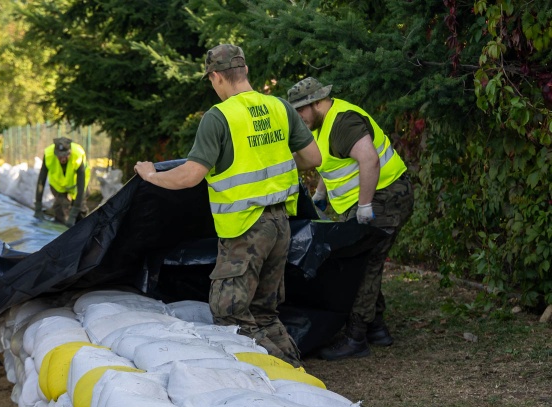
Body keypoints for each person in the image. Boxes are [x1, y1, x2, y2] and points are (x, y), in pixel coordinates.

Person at [133, 44, 321, 367]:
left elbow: (191, 175)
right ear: (245, 71)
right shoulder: (279, 108)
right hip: (280, 225)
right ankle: (295, 373)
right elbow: (312, 158)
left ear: (217, 77)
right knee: (264, 310)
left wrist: (151, 175)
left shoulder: (219, 118)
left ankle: (270, 376)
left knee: (230, 312)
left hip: (245, 230)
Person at [287, 77, 414, 360]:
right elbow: (332, 162)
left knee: (366, 262)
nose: (298, 117)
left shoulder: (343, 122)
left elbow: (369, 160)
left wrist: (365, 206)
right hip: (369, 200)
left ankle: (356, 337)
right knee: (358, 262)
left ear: (318, 102)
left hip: (387, 196)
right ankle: (377, 328)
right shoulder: (320, 126)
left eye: (301, 110)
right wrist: (320, 193)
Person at [34, 137, 91, 227]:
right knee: (61, 209)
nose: (63, 159)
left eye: (65, 156)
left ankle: (82, 230)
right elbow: (41, 180)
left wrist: (73, 214)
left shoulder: (77, 155)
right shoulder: (49, 154)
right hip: (58, 185)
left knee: (80, 208)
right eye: (60, 156)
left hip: (76, 184)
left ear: (70, 152)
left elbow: (81, 186)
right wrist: (38, 207)